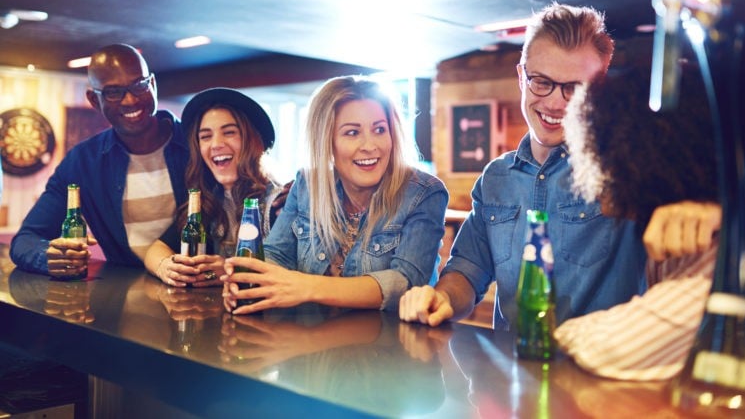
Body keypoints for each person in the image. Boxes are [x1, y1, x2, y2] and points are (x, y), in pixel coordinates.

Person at [399, 3, 647, 329]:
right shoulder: (496, 178)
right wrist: (443, 298)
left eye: (574, 89)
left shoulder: (629, 169)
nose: (555, 102)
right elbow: (468, 269)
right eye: (541, 81)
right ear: (521, 77)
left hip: (597, 374)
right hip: (512, 374)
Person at [554, 57, 745, 381]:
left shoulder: (733, 253)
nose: (592, 176)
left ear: (642, 158)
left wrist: (557, 333)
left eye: (600, 154)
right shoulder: (689, 231)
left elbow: (612, 350)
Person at [222, 75, 449, 314]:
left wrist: (307, 286)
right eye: (352, 133)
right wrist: (249, 284)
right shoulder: (307, 184)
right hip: (309, 341)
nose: (370, 145)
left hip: (390, 346)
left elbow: (406, 282)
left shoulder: (423, 192)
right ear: (326, 142)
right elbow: (276, 255)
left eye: (380, 129)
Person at [10, 44, 189, 278]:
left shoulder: (198, 146)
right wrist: (50, 256)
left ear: (152, 85)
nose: (130, 100)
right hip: (124, 299)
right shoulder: (83, 162)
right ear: (94, 100)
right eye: (114, 92)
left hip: (202, 294)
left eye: (139, 85)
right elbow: (25, 240)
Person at [144, 88, 283, 287]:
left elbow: (289, 272)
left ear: (254, 141)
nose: (216, 144)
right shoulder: (210, 199)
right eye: (206, 136)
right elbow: (156, 249)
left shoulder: (279, 202)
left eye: (229, 132)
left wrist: (227, 270)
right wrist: (166, 267)